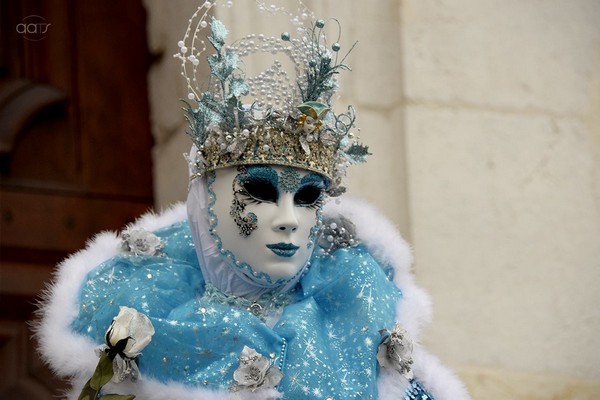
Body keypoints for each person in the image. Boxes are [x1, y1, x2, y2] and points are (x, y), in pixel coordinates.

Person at [36, 1, 471, 399]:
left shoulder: (360, 335)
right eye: (259, 192)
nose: (288, 220)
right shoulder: (143, 332)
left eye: (307, 198)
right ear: (205, 204)